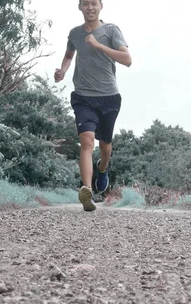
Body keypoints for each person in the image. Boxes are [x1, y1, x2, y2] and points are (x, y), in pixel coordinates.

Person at [54, 0, 132, 212]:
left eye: (93, 3)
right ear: (80, 7)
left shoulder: (111, 30)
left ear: (101, 6)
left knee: (105, 145)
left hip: (109, 97)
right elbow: (69, 55)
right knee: (86, 141)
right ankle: (86, 191)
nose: (90, 7)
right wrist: (62, 70)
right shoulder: (74, 34)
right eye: (85, 3)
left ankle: (103, 168)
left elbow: (127, 59)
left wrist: (98, 45)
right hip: (83, 97)